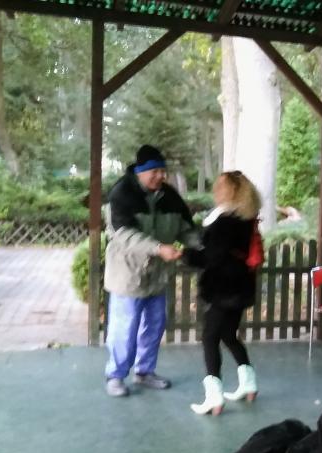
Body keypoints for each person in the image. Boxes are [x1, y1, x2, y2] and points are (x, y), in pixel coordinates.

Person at [103, 144, 199, 397]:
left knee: (155, 326)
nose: (161, 176)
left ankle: (144, 372)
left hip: (158, 275)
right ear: (140, 172)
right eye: (154, 171)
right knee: (124, 329)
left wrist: (201, 245)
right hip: (127, 275)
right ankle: (115, 376)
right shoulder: (121, 193)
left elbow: (185, 230)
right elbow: (123, 234)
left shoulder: (170, 196)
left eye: (163, 171)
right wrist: (158, 248)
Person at [185, 171, 262, 415]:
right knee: (228, 334)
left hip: (224, 288)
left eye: (221, 186)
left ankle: (214, 397)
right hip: (241, 285)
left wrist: (186, 255)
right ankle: (249, 384)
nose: (215, 190)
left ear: (232, 191)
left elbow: (211, 256)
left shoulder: (225, 221)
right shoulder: (246, 218)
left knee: (209, 337)